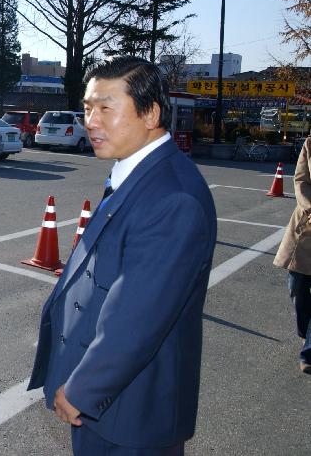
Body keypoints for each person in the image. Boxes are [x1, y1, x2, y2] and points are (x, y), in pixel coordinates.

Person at [28, 56, 217, 455]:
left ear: (150, 114)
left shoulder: (172, 198)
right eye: (87, 107)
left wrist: (83, 388)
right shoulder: (139, 172)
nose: (91, 121)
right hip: (116, 405)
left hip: (132, 414)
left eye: (105, 108)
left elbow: (137, 317)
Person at [274, 134, 311, 375]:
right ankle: (305, 331)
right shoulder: (310, 143)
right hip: (307, 224)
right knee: (296, 286)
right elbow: (300, 180)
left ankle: (309, 351)